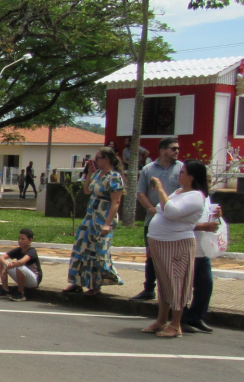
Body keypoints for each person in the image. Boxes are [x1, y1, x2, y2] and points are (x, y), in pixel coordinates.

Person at [141, 160, 207, 338]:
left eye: (183, 172)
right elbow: (162, 208)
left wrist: (160, 190)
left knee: (177, 283)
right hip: (160, 243)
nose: (180, 174)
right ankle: (161, 320)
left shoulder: (195, 196)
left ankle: (176, 324)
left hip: (177, 244)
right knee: (164, 282)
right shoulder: (179, 192)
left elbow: (171, 211)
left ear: (192, 176)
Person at [63, 148, 125, 296]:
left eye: (98, 158)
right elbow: (86, 190)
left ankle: (95, 285)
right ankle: (77, 282)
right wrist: (89, 173)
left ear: (107, 159)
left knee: (97, 252)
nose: (96, 161)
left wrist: (107, 224)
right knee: (81, 247)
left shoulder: (114, 177)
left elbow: (116, 202)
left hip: (103, 218)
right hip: (90, 217)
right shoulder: (98, 174)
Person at [131, 138, 184, 301]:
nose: (177, 151)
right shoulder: (148, 169)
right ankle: (149, 289)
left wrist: (171, 209)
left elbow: (186, 191)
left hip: (174, 221)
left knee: (174, 257)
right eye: (173, 148)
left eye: (178, 148)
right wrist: (152, 209)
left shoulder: (182, 169)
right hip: (153, 221)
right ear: (162, 151)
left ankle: (172, 291)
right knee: (152, 255)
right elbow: (140, 193)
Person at [183, 197, 222, 334]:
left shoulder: (206, 199)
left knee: (206, 286)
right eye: (206, 180)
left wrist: (217, 216)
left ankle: (195, 317)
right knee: (183, 289)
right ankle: (180, 319)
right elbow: (177, 223)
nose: (208, 184)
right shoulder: (186, 197)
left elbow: (210, 220)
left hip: (203, 251)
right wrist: (202, 226)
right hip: (187, 249)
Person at [0, 228, 42, 302]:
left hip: (34, 280)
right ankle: (5, 290)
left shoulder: (32, 251)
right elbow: (0, 257)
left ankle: (21, 293)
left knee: (20, 266)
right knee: (2, 262)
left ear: (30, 240)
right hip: (22, 277)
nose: (20, 241)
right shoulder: (18, 250)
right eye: (19, 239)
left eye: (23, 239)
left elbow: (21, 262)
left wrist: (9, 266)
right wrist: (6, 266)